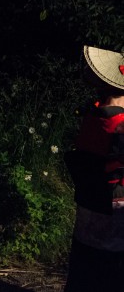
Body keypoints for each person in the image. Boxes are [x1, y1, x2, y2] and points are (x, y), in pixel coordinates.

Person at [64, 45, 124, 292]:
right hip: (114, 211)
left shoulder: (93, 116)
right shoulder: (119, 124)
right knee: (110, 273)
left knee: (84, 267)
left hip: (89, 205)